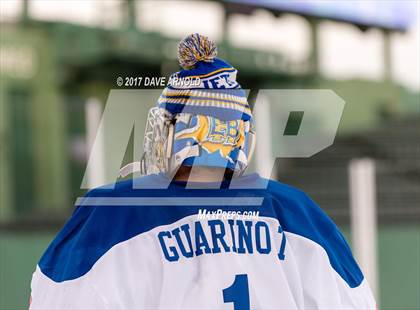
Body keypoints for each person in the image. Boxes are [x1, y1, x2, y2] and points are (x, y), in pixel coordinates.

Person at [30, 33, 376, 309]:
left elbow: (52, 299)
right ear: (239, 136)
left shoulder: (113, 214)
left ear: (185, 130)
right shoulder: (300, 214)